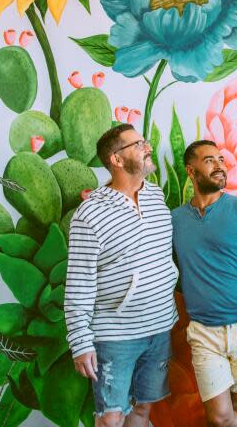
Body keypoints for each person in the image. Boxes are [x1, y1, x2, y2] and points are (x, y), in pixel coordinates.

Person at [64, 124, 178, 427]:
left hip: (160, 328)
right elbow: (79, 282)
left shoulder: (156, 197)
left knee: (142, 411)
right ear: (117, 159)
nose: (148, 147)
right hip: (115, 336)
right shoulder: (89, 215)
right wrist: (80, 341)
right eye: (138, 144)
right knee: (110, 419)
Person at [171, 140, 237, 427]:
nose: (219, 165)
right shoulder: (176, 220)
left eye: (221, 159)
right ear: (191, 171)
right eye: (209, 160)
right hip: (205, 332)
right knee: (220, 417)